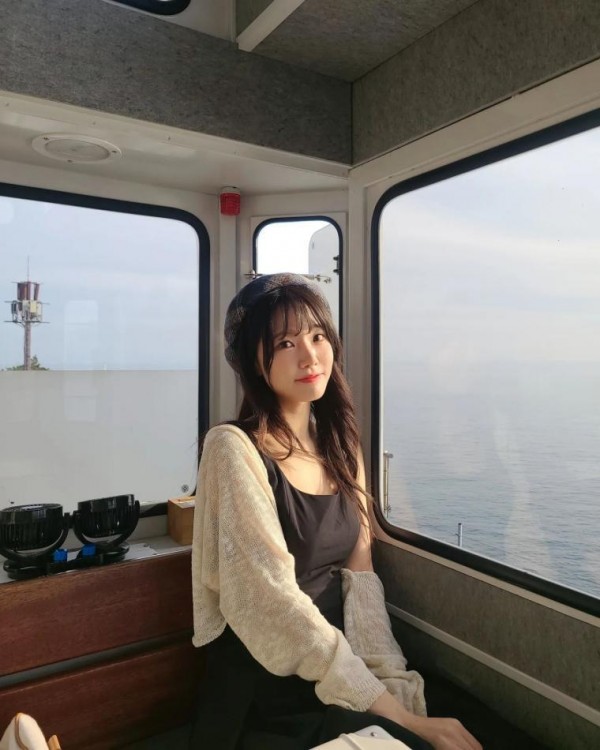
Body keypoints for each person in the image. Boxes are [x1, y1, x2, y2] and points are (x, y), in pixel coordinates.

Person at [190, 273, 482, 750]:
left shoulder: (341, 444)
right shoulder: (232, 449)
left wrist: (388, 682)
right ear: (253, 362)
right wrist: (391, 714)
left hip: (343, 670)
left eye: (317, 336)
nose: (309, 357)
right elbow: (270, 603)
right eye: (285, 343)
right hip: (269, 686)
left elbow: (360, 575)